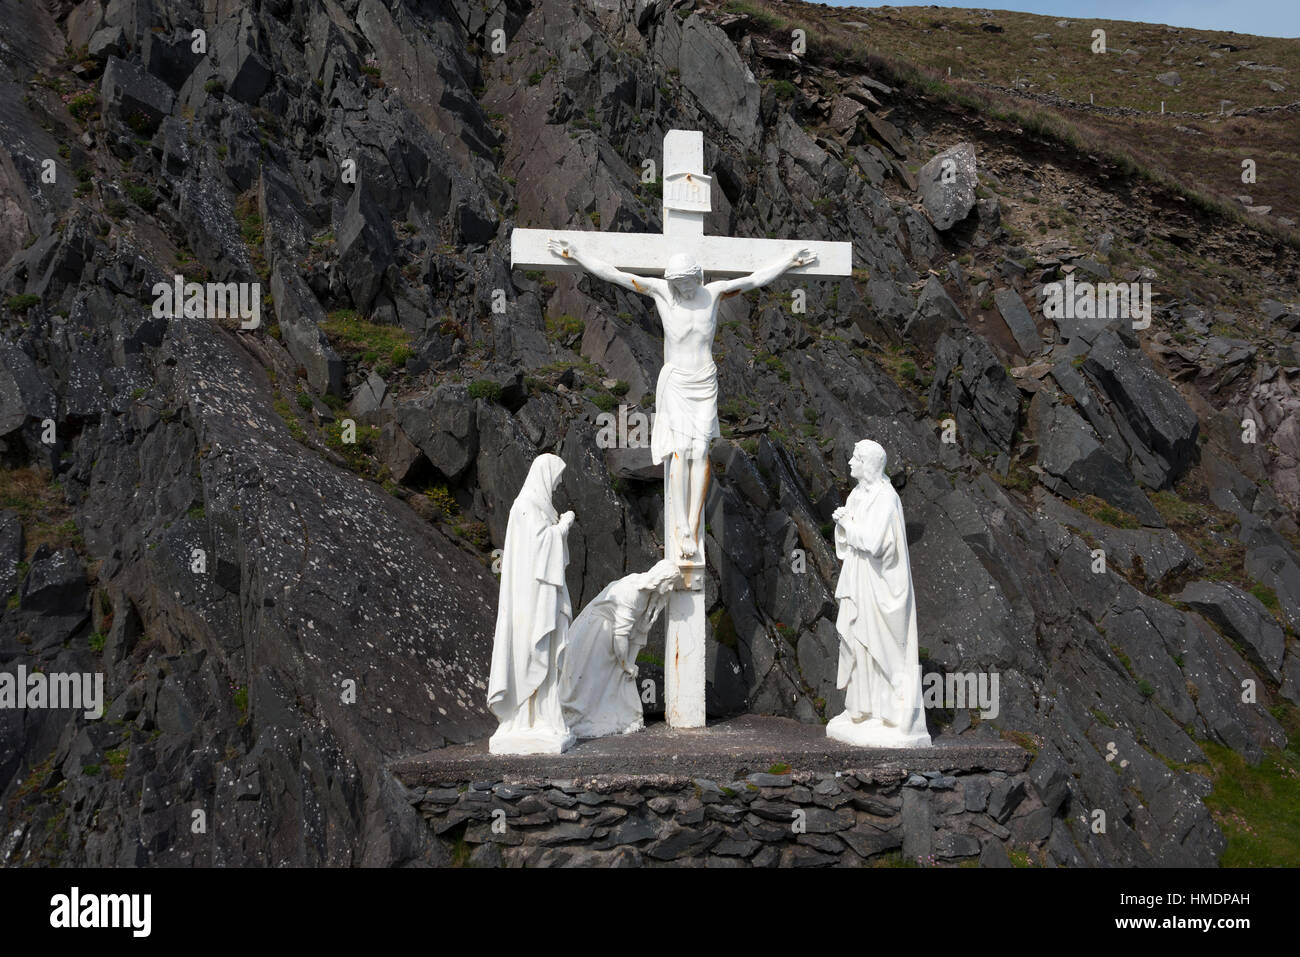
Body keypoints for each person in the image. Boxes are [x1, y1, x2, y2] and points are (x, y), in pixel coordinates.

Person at [547, 238, 814, 561]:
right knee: (678, 452)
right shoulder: (662, 293)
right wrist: (577, 254)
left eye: (685, 284)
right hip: (675, 384)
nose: (680, 290)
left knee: (700, 451)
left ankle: (694, 521)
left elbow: (754, 279)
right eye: (676, 284)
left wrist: (787, 262)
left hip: (703, 382)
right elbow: (614, 274)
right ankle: (682, 528)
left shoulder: (713, 294)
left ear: (696, 278)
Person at [827, 439, 931, 748]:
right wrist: (842, 526)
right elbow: (850, 544)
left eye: (855, 458)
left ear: (868, 464)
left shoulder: (886, 498)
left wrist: (846, 522)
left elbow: (872, 543)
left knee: (881, 647)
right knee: (860, 643)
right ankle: (860, 709)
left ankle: (890, 713)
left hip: (881, 587)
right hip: (860, 580)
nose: (849, 464)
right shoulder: (858, 495)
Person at [486, 453, 577, 754]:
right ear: (544, 476)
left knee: (548, 657)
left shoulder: (539, 507)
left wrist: (558, 525)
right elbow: (539, 547)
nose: (558, 485)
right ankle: (523, 717)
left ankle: (544, 716)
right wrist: (563, 526)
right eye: (556, 479)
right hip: (529, 598)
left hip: (544, 596)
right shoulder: (525, 506)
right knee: (529, 652)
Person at [560, 560, 681, 738]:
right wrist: (626, 664)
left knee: (609, 680)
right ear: (659, 578)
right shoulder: (633, 593)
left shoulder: (649, 596)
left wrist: (629, 665)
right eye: (669, 582)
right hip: (597, 631)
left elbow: (638, 633)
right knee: (588, 680)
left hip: (611, 635)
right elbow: (620, 637)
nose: (670, 588)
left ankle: (617, 715)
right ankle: (580, 717)